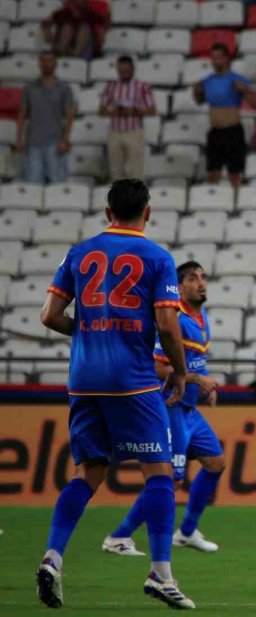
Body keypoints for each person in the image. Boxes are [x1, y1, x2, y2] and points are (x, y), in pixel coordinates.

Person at [36, 179, 194, 609]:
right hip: (134, 381)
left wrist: (88, 330)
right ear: (148, 212)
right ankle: (161, 574)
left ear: (108, 213)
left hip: (83, 379)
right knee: (160, 472)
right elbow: (166, 325)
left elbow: (49, 316)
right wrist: (180, 372)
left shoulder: (79, 252)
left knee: (88, 472)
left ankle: (52, 558)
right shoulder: (158, 258)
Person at [103, 261, 225, 557]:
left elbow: (193, 359)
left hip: (188, 409)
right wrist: (196, 379)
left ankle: (185, 532)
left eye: (203, 276)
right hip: (169, 406)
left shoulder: (200, 316)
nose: (201, 282)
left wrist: (202, 387)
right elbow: (157, 366)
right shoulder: (175, 318)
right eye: (193, 278)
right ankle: (118, 537)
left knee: (215, 463)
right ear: (179, 287)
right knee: (171, 479)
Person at [193, 44, 256, 189]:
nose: (214, 61)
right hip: (215, 132)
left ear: (226, 59)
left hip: (233, 131)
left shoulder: (237, 79)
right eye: (213, 58)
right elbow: (199, 101)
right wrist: (197, 92)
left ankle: (236, 205)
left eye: (218, 58)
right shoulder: (207, 81)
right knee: (212, 173)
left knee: (235, 175)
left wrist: (244, 90)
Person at [17, 52, 75, 185]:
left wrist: (65, 140)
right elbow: (22, 115)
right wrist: (19, 139)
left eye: (49, 60)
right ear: (39, 64)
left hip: (55, 142)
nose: (46, 64)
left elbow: (70, 116)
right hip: (33, 142)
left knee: (56, 182)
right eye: (43, 61)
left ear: (55, 64)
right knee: (33, 183)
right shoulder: (29, 88)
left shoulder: (64, 88)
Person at [100, 55, 156, 181]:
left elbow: (152, 110)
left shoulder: (142, 87)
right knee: (115, 171)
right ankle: (118, 199)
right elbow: (102, 110)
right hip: (115, 132)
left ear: (133, 69)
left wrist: (135, 110)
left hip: (134, 132)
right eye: (121, 71)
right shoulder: (111, 87)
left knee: (136, 171)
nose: (123, 73)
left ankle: (137, 199)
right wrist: (114, 111)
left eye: (126, 71)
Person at [41, 0, 109, 60]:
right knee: (67, 27)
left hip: (85, 43)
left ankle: (75, 58)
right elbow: (46, 23)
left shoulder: (90, 14)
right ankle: (60, 53)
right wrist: (48, 33)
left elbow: (103, 23)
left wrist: (101, 37)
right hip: (65, 41)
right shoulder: (63, 13)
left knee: (84, 28)